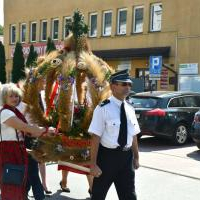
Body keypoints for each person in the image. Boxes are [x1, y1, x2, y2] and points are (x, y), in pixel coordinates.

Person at [88, 69, 140, 200]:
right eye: (123, 84)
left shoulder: (130, 108)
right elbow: (95, 137)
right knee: (98, 195)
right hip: (107, 159)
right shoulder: (103, 108)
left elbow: (133, 135)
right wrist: (93, 165)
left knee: (129, 196)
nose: (127, 87)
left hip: (126, 159)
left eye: (129, 85)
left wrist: (136, 156)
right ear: (113, 86)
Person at [0, 83, 55, 200]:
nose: (15, 99)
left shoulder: (15, 111)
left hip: (19, 149)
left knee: (21, 183)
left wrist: (46, 132)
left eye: (16, 96)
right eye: (11, 96)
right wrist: (45, 130)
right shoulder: (5, 112)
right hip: (9, 151)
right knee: (12, 184)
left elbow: (29, 131)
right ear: (4, 97)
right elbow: (26, 128)